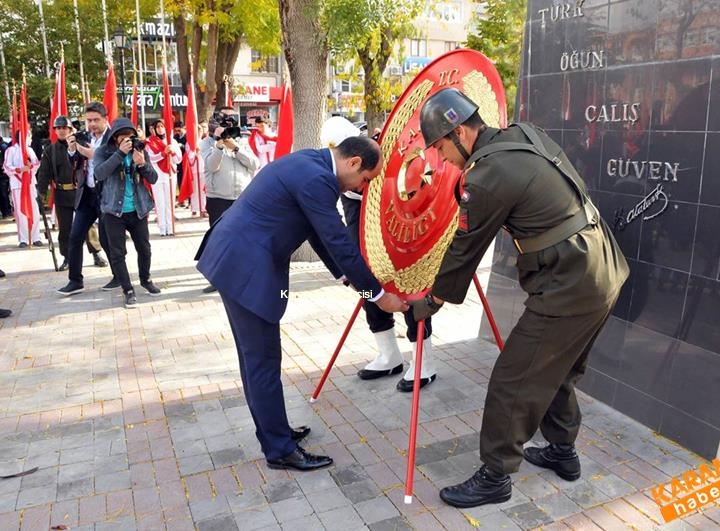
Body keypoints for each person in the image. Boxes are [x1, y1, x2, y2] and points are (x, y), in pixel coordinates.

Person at [409, 88, 630, 508]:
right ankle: (562, 452)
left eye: (439, 146)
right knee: (556, 368)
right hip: (602, 266)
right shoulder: (523, 135)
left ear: (459, 133)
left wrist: (432, 301)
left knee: (514, 379)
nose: (440, 158)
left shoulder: (486, 174)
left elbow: (464, 249)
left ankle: (495, 475)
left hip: (572, 280)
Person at [196, 136, 408, 471]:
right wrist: (377, 296)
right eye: (366, 179)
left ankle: (274, 430)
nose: (364, 187)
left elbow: (314, 230)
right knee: (262, 360)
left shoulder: (312, 163)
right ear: (354, 162)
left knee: (257, 359)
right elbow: (338, 239)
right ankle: (279, 449)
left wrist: (343, 276)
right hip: (246, 268)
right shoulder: (318, 178)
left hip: (239, 259)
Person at [320, 116, 436, 392]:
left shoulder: (383, 155)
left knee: (409, 293)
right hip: (360, 236)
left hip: (397, 235)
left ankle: (424, 362)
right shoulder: (339, 167)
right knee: (369, 290)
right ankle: (389, 355)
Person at [94, 118, 162, 309]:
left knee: (144, 248)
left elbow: (154, 178)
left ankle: (146, 279)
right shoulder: (103, 152)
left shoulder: (139, 150)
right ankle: (127, 289)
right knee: (117, 253)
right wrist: (119, 154)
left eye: (130, 135)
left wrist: (142, 164)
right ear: (115, 137)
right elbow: (99, 174)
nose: (127, 139)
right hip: (113, 211)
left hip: (138, 209)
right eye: (122, 136)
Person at [57, 102, 115, 296]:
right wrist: (72, 149)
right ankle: (75, 281)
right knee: (75, 236)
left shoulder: (113, 138)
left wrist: (84, 151)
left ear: (106, 119)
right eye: (89, 120)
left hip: (106, 194)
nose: (92, 124)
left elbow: (102, 157)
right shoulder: (84, 136)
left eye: (96, 120)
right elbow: (74, 162)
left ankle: (118, 276)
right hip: (86, 193)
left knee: (107, 239)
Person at [199, 108, 258, 292]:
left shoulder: (242, 140)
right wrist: (219, 145)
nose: (227, 126)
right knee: (219, 241)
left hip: (242, 198)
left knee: (244, 240)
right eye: (223, 121)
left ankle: (243, 277)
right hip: (218, 199)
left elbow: (254, 164)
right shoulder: (206, 143)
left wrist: (236, 148)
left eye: (230, 121)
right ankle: (218, 279)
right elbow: (211, 166)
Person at [36, 116, 106, 271]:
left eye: (64, 128)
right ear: (55, 131)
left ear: (70, 130)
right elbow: (44, 173)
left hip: (81, 192)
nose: (61, 131)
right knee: (66, 228)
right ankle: (67, 257)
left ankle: (96, 253)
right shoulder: (50, 150)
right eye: (58, 128)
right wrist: (40, 192)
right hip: (62, 193)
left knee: (88, 226)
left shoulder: (79, 144)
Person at [3, 130, 42, 247]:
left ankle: (36, 237)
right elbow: (6, 167)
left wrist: (31, 166)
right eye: (28, 135)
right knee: (20, 212)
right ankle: (23, 239)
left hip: (30, 184)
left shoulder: (30, 150)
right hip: (18, 185)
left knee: (35, 211)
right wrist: (20, 170)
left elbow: (36, 164)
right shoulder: (11, 150)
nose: (30, 138)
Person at [145, 119, 181, 236]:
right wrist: (163, 153)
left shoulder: (172, 142)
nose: (160, 129)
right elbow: (151, 158)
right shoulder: (150, 142)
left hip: (170, 174)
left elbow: (178, 159)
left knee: (169, 201)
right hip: (157, 175)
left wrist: (172, 152)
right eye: (158, 127)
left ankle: (170, 228)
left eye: (162, 126)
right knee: (160, 202)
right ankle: (162, 228)